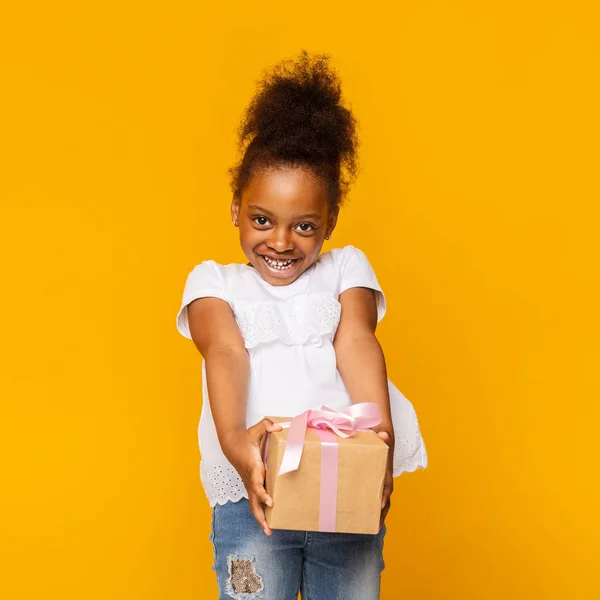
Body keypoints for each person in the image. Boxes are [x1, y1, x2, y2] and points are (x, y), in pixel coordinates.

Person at [176, 50, 427, 600]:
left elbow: (358, 340)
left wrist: (379, 436)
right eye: (262, 219)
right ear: (236, 208)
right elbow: (225, 352)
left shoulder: (345, 269)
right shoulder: (213, 283)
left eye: (305, 226)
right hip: (254, 495)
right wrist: (234, 442)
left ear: (330, 221)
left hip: (344, 486)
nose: (282, 241)